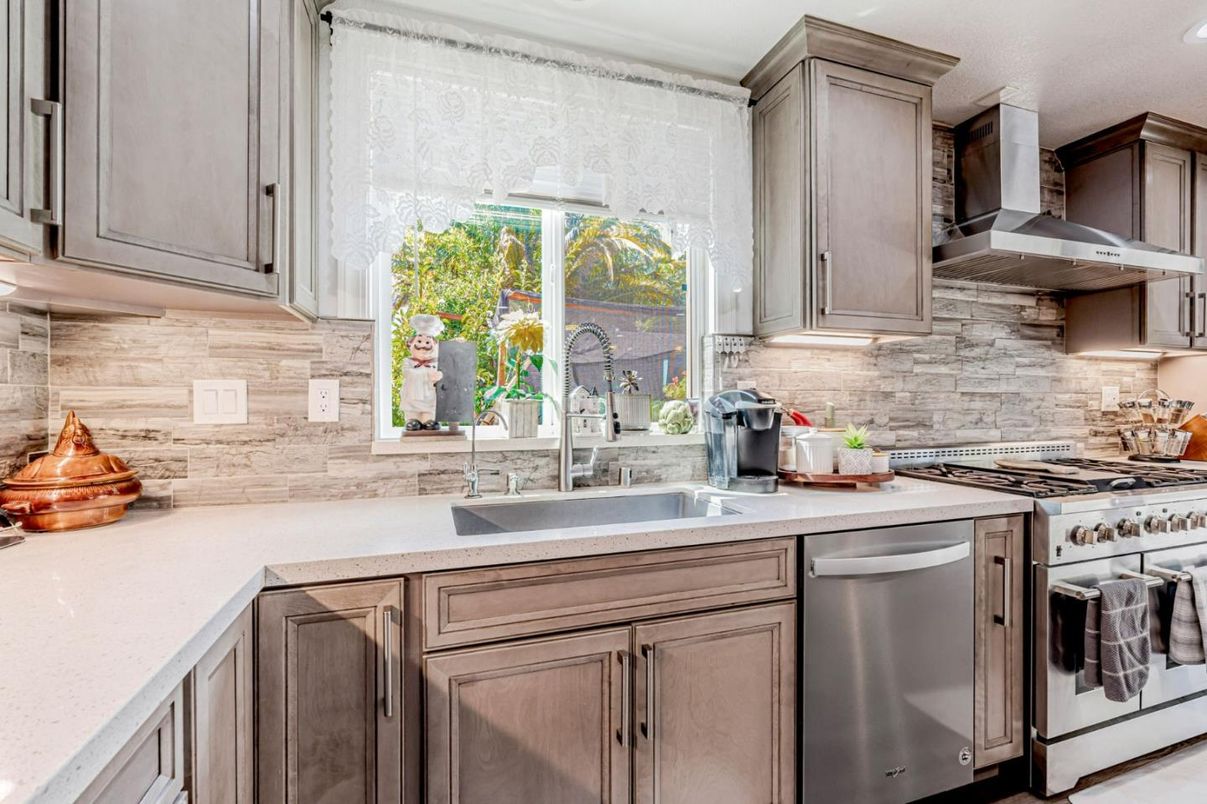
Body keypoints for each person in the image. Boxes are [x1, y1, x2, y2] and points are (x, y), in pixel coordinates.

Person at [400, 314, 444, 431]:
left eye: (427, 343)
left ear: (435, 345)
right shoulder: (408, 361)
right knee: (412, 412)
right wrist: (426, 374)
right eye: (419, 341)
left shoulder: (437, 362)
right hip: (412, 395)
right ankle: (412, 419)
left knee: (430, 413)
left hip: (429, 396)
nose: (423, 345)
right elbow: (407, 373)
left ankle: (429, 419)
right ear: (411, 344)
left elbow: (441, 376)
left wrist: (438, 376)